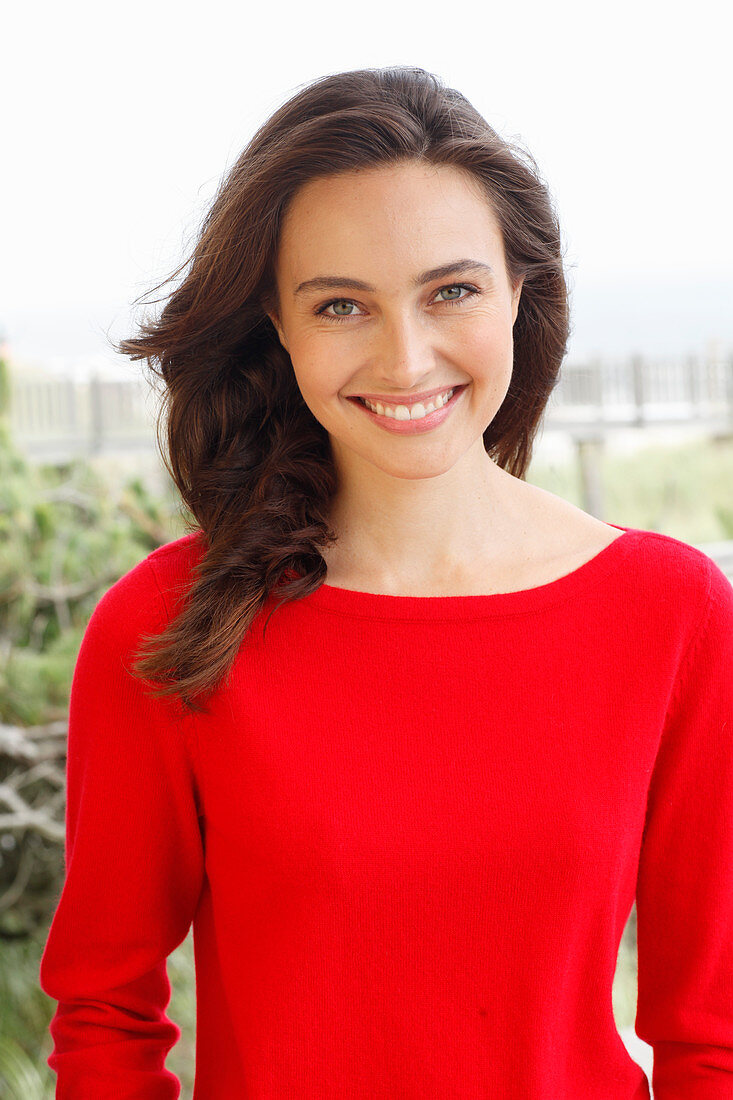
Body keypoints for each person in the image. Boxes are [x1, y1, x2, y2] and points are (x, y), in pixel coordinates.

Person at [38, 65, 733, 1099]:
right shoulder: (169, 624)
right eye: (341, 305)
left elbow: (711, 1034)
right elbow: (104, 1014)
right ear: (277, 323)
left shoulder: (673, 614)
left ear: (519, 290)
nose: (406, 359)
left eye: (449, 290)